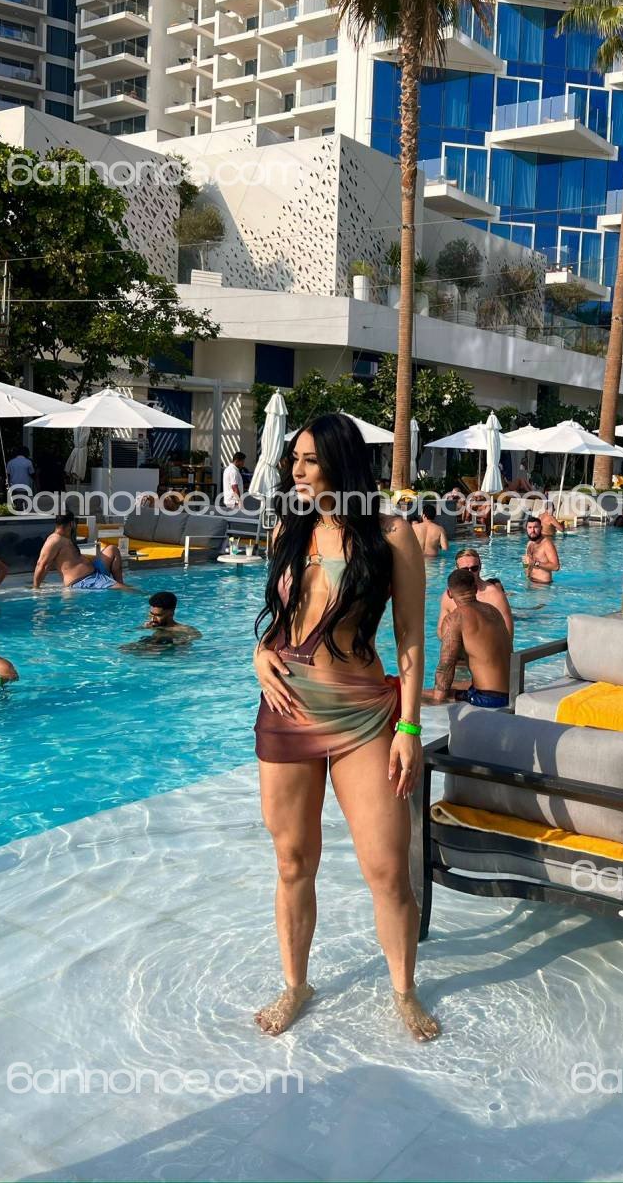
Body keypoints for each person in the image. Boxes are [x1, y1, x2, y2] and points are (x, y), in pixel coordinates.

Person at [251, 413, 437, 1042]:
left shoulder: (391, 533)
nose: (297, 471)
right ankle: (295, 984)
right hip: (286, 710)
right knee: (292, 860)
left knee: (386, 868)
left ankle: (404, 990)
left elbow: (410, 637)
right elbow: (284, 618)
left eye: (309, 460)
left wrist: (409, 727)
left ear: (341, 463)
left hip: (362, 714)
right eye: (294, 460)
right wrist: (258, 653)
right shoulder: (290, 526)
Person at [424, 569, 511, 709]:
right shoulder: (493, 610)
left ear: (449, 593)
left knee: (418, 695)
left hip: (488, 698)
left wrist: (437, 700)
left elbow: (446, 665)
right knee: (458, 685)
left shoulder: (455, 618)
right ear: (475, 589)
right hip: (512, 690)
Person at [436, 548, 514, 644]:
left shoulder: (495, 595)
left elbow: (508, 635)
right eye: (465, 569)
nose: (470, 573)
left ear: (480, 567)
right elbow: (440, 629)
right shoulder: (449, 595)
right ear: (457, 569)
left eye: (474, 568)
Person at [32, 514, 126, 590]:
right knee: (128, 591)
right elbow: (42, 564)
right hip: (84, 581)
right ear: (71, 524)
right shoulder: (54, 540)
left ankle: (119, 583)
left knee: (112, 550)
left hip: (94, 572)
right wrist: (36, 587)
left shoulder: (65, 537)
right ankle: (119, 586)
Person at [122, 591, 202, 652]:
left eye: (158, 615)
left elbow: (196, 637)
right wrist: (142, 627)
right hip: (150, 646)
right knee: (123, 649)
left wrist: (181, 642)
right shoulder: (152, 625)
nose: (153, 619)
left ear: (171, 613)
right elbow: (127, 632)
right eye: (151, 614)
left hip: (165, 653)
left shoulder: (185, 630)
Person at [523, 516, 560, 585]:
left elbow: (556, 567)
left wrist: (534, 563)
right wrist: (525, 566)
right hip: (530, 582)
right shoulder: (529, 543)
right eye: (530, 527)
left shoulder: (547, 544)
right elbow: (527, 563)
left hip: (543, 585)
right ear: (526, 529)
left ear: (541, 528)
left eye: (535, 527)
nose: (532, 530)